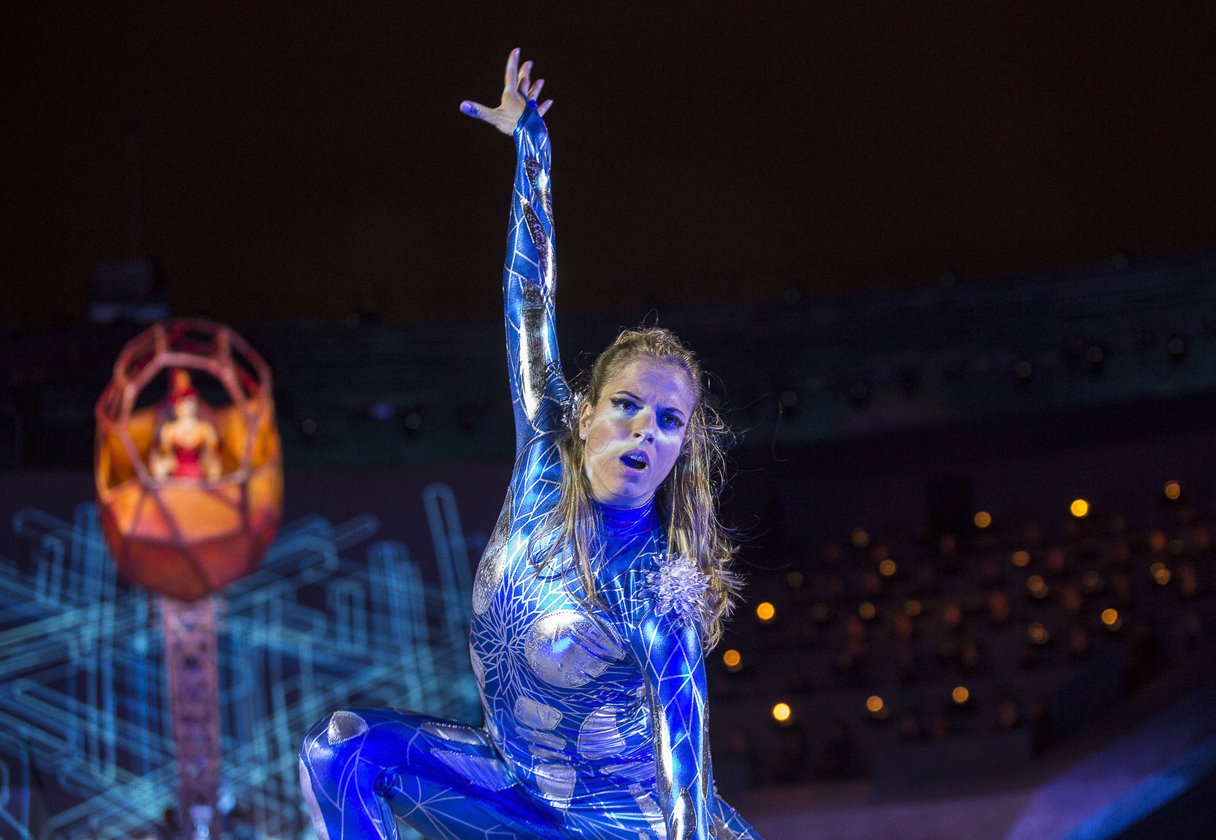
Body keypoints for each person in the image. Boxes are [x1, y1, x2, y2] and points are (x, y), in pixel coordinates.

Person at [299, 50, 762, 840]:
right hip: (512, 793)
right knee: (341, 749)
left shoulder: (656, 591)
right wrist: (532, 151)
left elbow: (687, 782)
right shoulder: (544, 454)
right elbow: (529, 299)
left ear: (682, 446)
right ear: (582, 415)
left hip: (629, 831)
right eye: (627, 406)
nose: (644, 429)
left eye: (668, 420)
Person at [149, 369, 222, 481]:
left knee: (213, 464)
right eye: (178, 380)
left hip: (198, 463)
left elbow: (213, 443)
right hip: (176, 463)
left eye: (184, 380)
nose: (182, 383)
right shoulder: (167, 413)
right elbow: (162, 444)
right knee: (159, 464)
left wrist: (208, 439)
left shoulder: (201, 416)